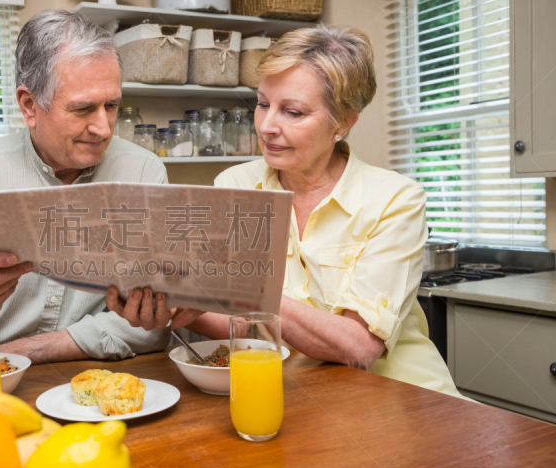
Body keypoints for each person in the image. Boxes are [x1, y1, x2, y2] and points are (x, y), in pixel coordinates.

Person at [108, 25, 461, 397]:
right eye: (262, 104)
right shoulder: (235, 185)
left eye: (292, 112)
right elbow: (241, 324)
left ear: (343, 122)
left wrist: (249, 288)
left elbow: (358, 348)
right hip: (296, 396)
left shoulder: (395, 199)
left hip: (404, 397)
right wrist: (165, 307)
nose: (267, 126)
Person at [0, 10, 171, 363]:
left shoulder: (144, 172)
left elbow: (151, 326)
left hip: (101, 383)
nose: (104, 128)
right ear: (29, 105)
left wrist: (29, 350)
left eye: (111, 105)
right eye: (83, 109)